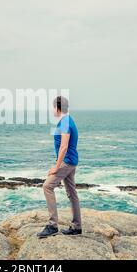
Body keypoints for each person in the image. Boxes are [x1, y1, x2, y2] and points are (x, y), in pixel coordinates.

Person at [37, 96, 82, 238]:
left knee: (47, 186)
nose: (52, 110)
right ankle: (77, 226)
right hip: (71, 161)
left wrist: (56, 167)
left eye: (53, 107)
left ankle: (52, 225)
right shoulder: (68, 120)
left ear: (57, 108)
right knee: (72, 194)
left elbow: (63, 146)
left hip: (66, 162)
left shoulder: (65, 123)